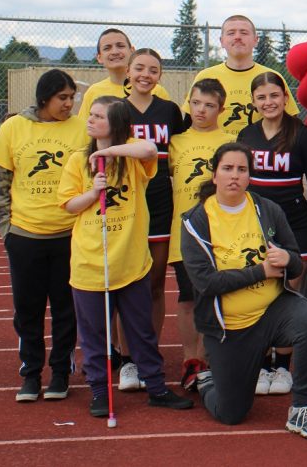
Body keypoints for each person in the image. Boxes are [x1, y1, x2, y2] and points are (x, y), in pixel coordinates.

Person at [181, 142, 307, 439]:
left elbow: (297, 263)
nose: (234, 176)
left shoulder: (267, 209)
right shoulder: (196, 221)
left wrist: (288, 259)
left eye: (242, 169)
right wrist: (259, 272)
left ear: (250, 176)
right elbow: (206, 283)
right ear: (214, 175)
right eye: (227, 169)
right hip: (231, 328)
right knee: (231, 414)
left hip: (273, 310)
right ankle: (207, 380)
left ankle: (301, 409)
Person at [58, 96, 193, 417]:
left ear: (116, 125)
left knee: (141, 331)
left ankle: (157, 388)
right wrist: (93, 193)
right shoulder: (78, 160)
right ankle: (99, 392)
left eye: (98, 116)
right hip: (91, 264)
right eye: (89, 115)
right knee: (93, 336)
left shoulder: (131, 156)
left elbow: (149, 151)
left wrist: (107, 151)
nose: (89, 120)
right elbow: (68, 205)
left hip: (131, 263)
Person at [238, 71, 307, 396]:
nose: (268, 102)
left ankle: (283, 366)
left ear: (286, 98)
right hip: (253, 226)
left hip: (295, 225)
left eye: (274, 95)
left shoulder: (302, 134)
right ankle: (260, 363)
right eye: (262, 97)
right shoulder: (246, 134)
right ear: (254, 102)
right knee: (258, 294)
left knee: (289, 295)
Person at [0, 69, 86, 402]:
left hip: (69, 235)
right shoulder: (14, 128)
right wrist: (6, 231)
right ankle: (30, 373)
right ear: (44, 98)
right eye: (63, 97)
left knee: (65, 309)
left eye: (72, 97)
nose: (69, 104)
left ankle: (60, 373)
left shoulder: (80, 128)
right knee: (27, 309)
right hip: (25, 236)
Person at [120, 48, 186, 392]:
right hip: (126, 202)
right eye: (140, 68)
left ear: (160, 75)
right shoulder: (117, 110)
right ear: (128, 72)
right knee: (124, 282)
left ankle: (149, 354)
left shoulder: (170, 111)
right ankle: (128, 360)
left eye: (154, 70)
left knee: (155, 282)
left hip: (160, 201)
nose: (146, 74)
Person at [167, 78, 235, 390]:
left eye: (209, 105)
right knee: (187, 296)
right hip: (185, 230)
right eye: (196, 103)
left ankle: (209, 359)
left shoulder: (231, 141)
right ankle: (190, 360)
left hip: (221, 231)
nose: (201, 110)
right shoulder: (176, 142)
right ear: (188, 103)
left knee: (215, 295)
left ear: (221, 109)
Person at [184, 15, 297, 137]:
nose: (237, 37)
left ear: (255, 40)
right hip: (215, 152)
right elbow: (189, 122)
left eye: (244, 33)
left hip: (258, 152)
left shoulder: (271, 77)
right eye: (231, 33)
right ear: (221, 41)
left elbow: (292, 123)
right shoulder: (206, 76)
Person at [77, 28, 170, 120]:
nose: (115, 52)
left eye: (120, 46)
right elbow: (84, 130)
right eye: (107, 48)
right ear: (99, 57)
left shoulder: (156, 91)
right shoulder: (93, 92)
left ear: (132, 51)